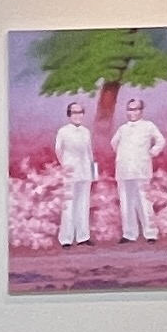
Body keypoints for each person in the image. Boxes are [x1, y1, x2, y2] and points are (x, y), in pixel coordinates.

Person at [111, 91, 163, 242]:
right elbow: (114, 143)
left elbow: (160, 141)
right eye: (129, 109)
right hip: (124, 170)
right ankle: (129, 234)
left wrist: (151, 153)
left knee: (144, 201)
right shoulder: (122, 128)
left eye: (135, 109)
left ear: (141, 111)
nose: (132, 112)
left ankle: (150, 234)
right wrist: (124, 156)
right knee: (126, 203)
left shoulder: (148, 126)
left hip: (141, 169)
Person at [52, 97, 96, 245]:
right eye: (74, 112)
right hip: (70, 172)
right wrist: (65, 165)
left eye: (80, 112)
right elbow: (58, 150)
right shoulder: (63, 131)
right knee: (69, 205)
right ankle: (66, 239)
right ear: (69, 115)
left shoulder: (86, 132)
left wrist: (93, 173)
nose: (78, 115)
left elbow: (90, 152)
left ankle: (83, 237)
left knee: (83, 205)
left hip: (85, 172)